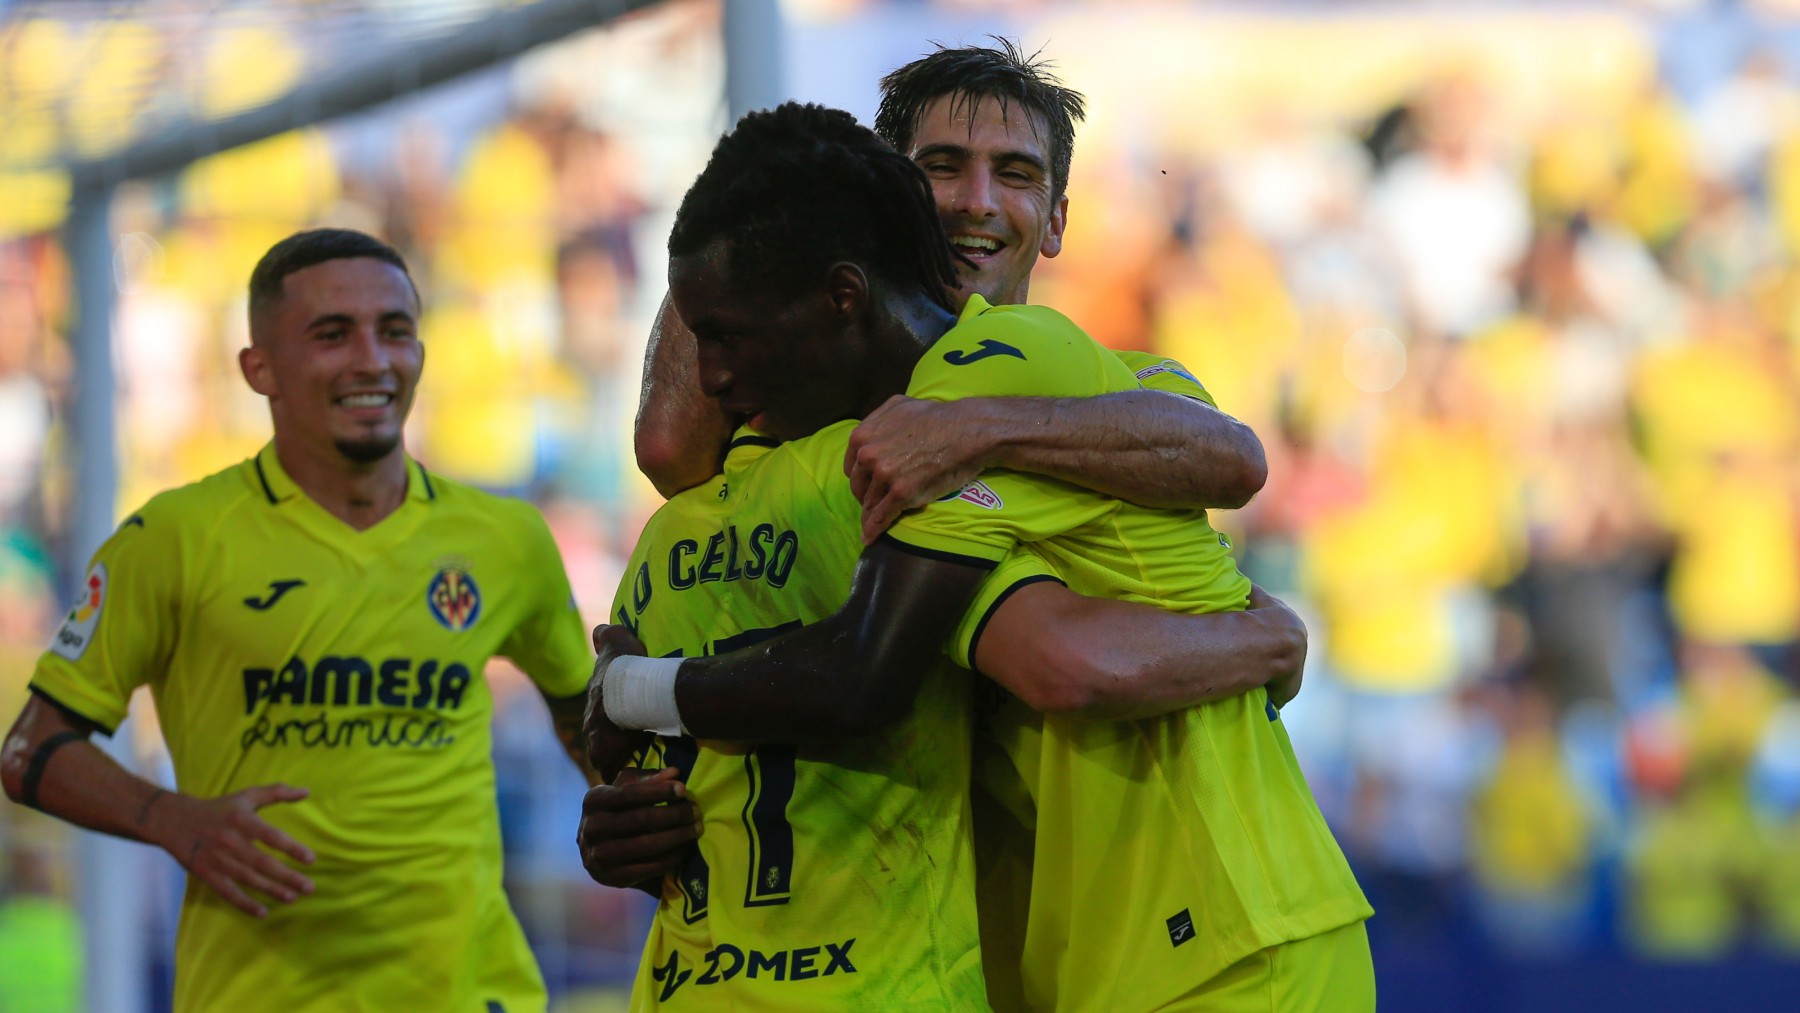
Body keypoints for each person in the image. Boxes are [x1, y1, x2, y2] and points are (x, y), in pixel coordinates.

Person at [592, 102, 1374, 1011]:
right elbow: (669, 441)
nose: (974, 203)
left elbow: (1221, 475)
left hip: (1219, 932)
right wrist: (633, 805)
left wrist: (1272, 645)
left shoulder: (1090, 384)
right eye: (941, 166)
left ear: (1058, 218)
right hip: (1059, 952)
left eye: (1016, 173)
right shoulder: (850, 449)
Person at [0, 229, 598, 1013]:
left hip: (471, 993)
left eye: (394, 330)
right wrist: (172, 818)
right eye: (331, 334)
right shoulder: (175, 538)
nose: (372, 360)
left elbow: (578, 703)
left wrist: (631, 805)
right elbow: (30, 749)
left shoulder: (506, 539)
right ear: (260, 368)